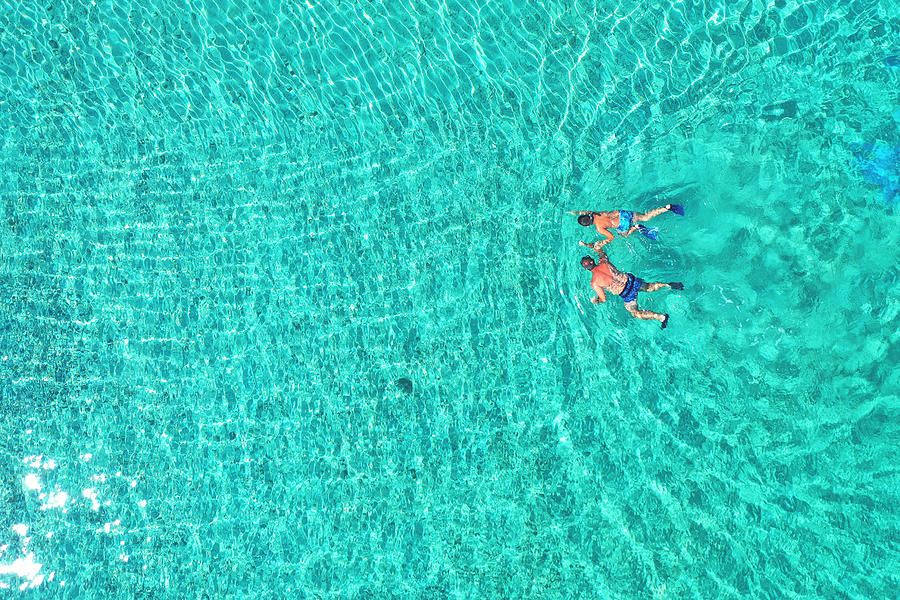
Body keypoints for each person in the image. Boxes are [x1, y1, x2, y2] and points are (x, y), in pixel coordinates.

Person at [578, 240, 683, 329]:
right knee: (648, 287)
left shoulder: (594, 282)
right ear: (592, 261)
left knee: (635, 313)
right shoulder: (604, 262)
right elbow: (599, 249)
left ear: (585, 269)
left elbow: (603, 299)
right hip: (632, 281)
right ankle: (668, 285)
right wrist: (587, 245)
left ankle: (661, 317)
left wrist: (596, 301)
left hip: (627, 293)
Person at [568, 203, 684, 247]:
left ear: (588, 226)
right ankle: (667, 208)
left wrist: (603, 243)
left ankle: (635, 227)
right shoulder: (593, 213)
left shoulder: (599, 228)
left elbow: (611, 237)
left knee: (624, 235)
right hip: (622, 214)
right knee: (645, 217)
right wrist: (576, 212)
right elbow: (585, 212)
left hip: (621, 224)